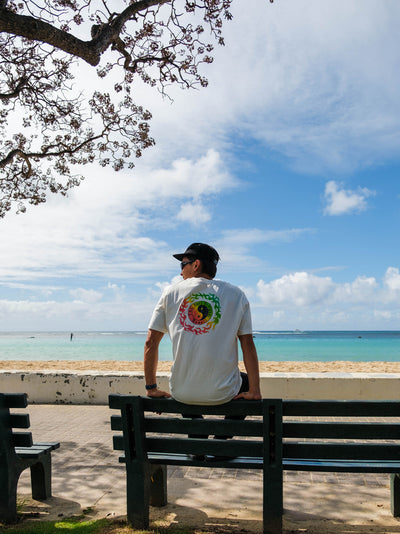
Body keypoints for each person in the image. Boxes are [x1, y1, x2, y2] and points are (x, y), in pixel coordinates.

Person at [144, 242, 262, 405]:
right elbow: (247, 344)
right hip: (223, 393)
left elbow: (150, 342)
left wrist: (151, 388)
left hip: (181, 393)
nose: (180, 272)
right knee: (245, 381)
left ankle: (197, 429)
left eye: (183, 264)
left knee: (187, 392)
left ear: (196, 265)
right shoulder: (236, 295)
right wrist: (255, 391)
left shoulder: (170, 293)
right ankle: (224, 432)